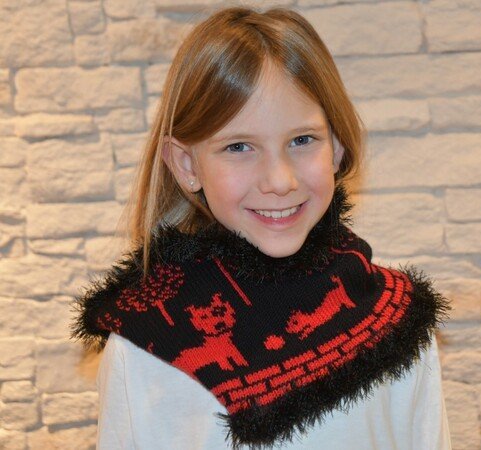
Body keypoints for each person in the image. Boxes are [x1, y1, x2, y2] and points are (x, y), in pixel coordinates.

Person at [70, 5, 451, 450]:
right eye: (239, 147)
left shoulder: (397, 319)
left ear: (336, 148)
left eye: (302, 140)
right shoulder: (143, 346)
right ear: (187, 165)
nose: (279, 181)